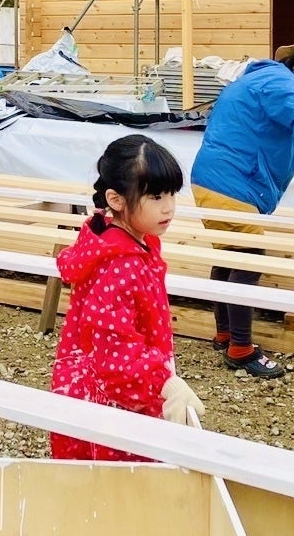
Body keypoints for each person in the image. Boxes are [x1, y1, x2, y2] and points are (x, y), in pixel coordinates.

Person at [189, 42, 294, 379]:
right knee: (249, 259)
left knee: (229, 258)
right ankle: (241, 349)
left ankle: (225, 335)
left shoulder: (261, 81)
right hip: (231, 183)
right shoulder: (282, 80)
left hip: (216, 181)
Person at [50, 134, 203, 460]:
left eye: (172, 194)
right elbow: (115, 354)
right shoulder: (120, 265)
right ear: (116, 200)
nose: (169, 206)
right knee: (121, 478)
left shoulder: (118, 240)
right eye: (156, 196)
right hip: (111, 398)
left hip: (100, 381)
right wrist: (164, 382)